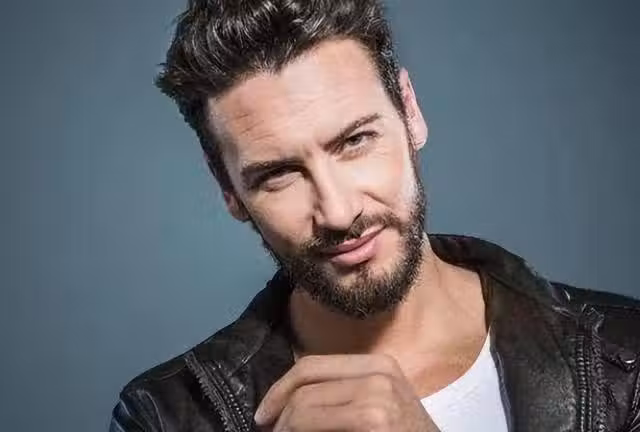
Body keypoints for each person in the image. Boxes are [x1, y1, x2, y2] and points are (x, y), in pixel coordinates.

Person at [109, 0, 640, 431]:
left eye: (355, 141)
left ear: (410, 112)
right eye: (279, 174)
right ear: (228, 188)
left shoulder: (625, 358)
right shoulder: (165, 416)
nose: (339, 213)